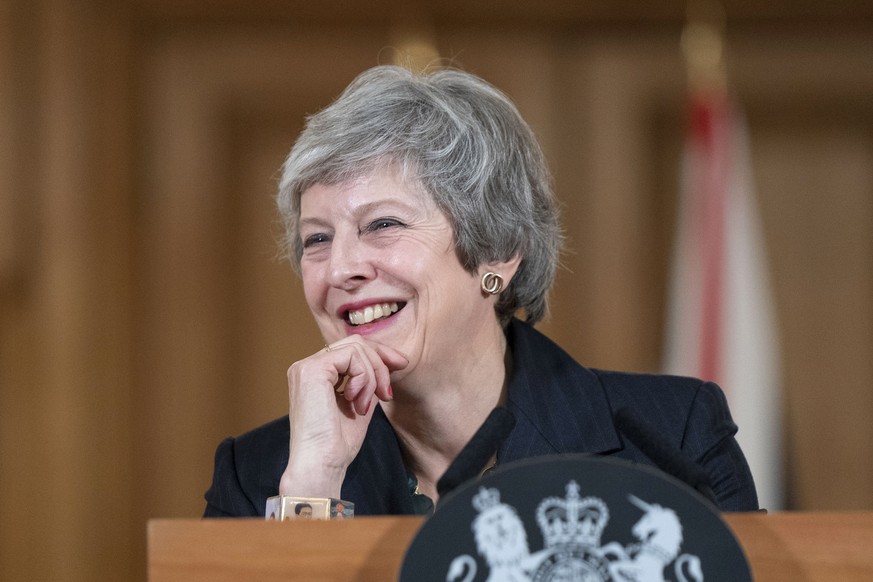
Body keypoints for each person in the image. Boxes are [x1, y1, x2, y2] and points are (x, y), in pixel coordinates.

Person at [203, 65, 758, 518]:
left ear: (495, 250)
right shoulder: (260, 479)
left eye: (383, 225)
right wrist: (315, 486)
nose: (341, 267)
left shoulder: (671, 439)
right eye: (317, 239)